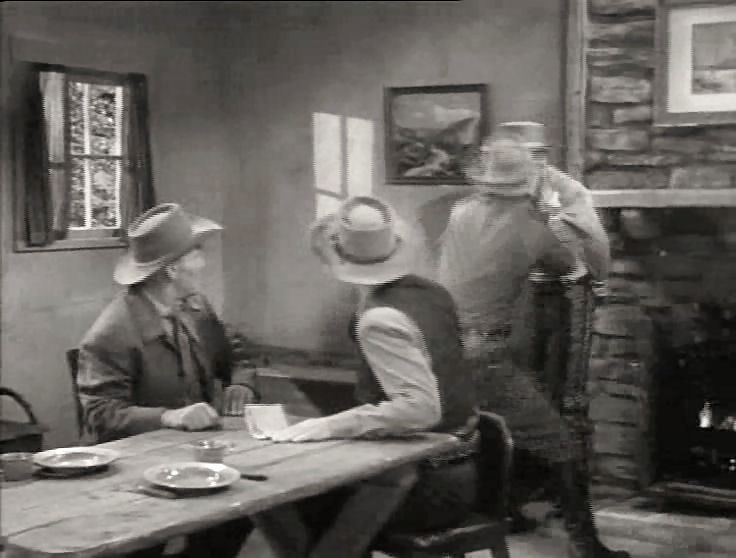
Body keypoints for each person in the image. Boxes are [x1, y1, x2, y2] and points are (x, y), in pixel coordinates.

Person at [253, 195, 483, 558]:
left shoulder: (381, 319)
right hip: (461, 470)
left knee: (282, 501)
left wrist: (328, 426)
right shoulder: (432, 293)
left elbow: (420, 409)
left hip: (424, 487)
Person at [437, 127, 630, 558]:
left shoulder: (459, 212)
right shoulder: (536, 228)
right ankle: (587, 546)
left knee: (494, 430)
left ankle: (509, 511)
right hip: (483, 355)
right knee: (560, 443)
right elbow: (582, 271)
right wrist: (557, 215)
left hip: (441, 346)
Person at [76, 202, 256, 558]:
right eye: (197, 253)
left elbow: (237, 353)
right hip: (135, 473)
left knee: (242, 513)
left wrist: (241, 382)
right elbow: (100, 414)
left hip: (196, 459)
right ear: (172, 269)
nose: (203, 263)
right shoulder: (112, 333)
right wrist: (168, 417)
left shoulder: (195, 307)